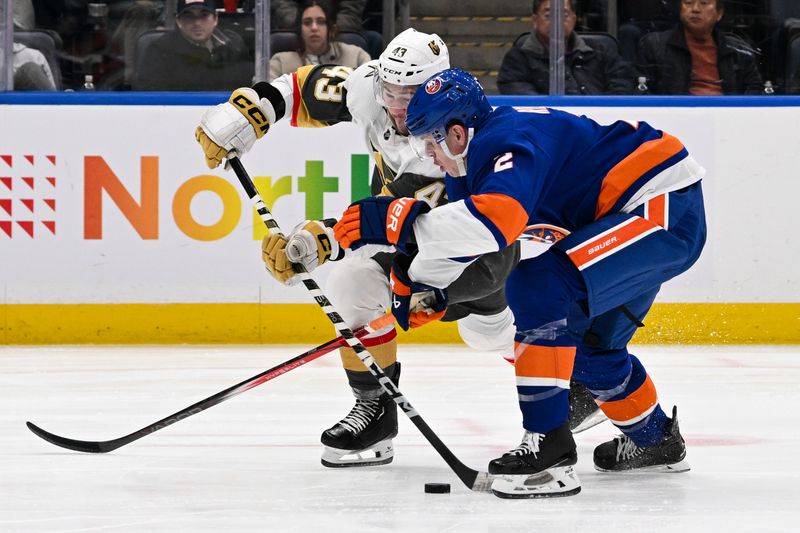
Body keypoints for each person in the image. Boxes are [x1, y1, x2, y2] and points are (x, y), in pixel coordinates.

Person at [334, 67, 706, 498]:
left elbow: (496, 220)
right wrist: (422, 287)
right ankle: (657, 442)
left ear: (457, 134)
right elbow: (473, 246)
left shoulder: (504, 139)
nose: (427, 154)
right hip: (623, 215)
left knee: (539, 282)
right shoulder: (466, 169)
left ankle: (548, 450)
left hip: (660, 204)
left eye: (429, 140)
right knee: (590, 349)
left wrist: (395, 221)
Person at [194, 29, 524, 469]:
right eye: (390, 89)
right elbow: (302, 88)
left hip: (475, 254)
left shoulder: (464, 137)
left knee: (489, 333)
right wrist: (252, 110)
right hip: (398, 236)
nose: (395, 104)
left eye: (408, 94)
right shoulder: (371, 90)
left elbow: (416, 225)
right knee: (350, 284)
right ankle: (375, 410)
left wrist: (327, 239)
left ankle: (577, 378)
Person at [497, 0, 636, 95]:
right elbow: (523, 99)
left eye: (563, 15)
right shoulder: (518, 58)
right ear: (535, 20)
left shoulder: (601, 50)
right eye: (548, 15)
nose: (556, 21)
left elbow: (623, 85)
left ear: (574, 19)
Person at [636, 0, 763, 95]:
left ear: (719, 13)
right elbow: (641, 90)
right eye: (688, 3)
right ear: (680, 10)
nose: (695, 9)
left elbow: (755, 91)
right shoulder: (654, 45)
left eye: (704, 3)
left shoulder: (739, 50)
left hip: (727, 118)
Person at [133, 0, 253, 91]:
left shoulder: (234, 45)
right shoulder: (159, 49)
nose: (197, 23)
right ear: (179, 21)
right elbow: (152, 96)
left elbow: (247, 87)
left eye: (204, 15)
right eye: (189, 16)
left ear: (215, 19)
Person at [269, 0, 370, 81]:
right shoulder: (280, 62)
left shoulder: (357, 57)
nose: (314, 28)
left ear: (331, 28)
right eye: (307, 22)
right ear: (300, 29)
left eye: (321, 22)